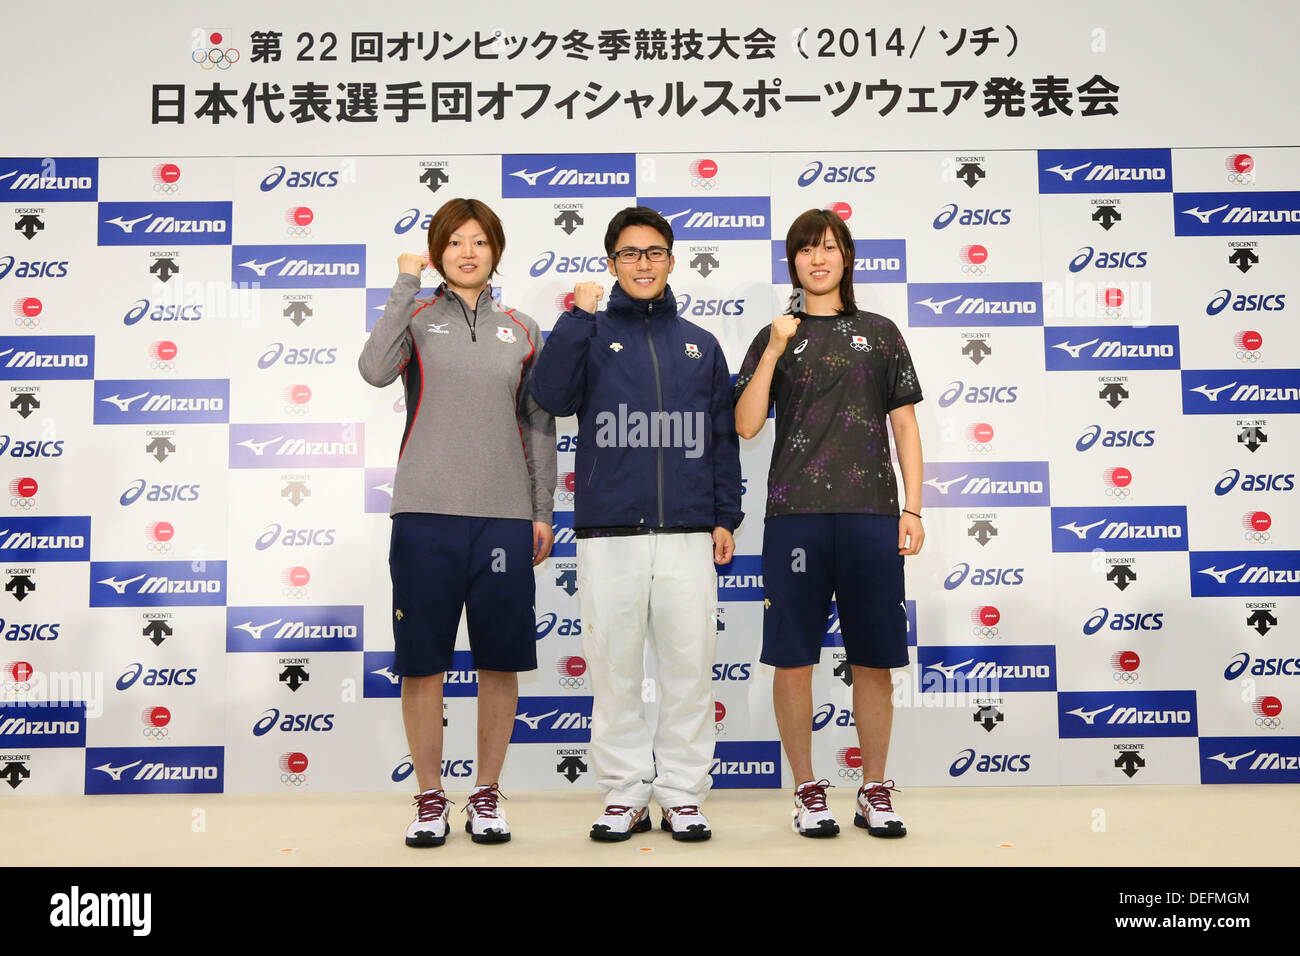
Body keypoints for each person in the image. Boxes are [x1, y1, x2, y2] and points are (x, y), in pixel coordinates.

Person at [529, 206, 742, 843]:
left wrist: (725, 515)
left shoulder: (701, 343)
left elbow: (722, 438)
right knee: (615, 671)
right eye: (629, 254)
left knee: (688, 668)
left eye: (653, 253)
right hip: (610, 532)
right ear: (611, 262)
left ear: (671, 261)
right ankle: (623, 793)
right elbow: (552, 396)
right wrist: (575, 316)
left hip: (685, 532)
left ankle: (681, 794)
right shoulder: (587, 332)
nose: (642, 264)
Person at [359, 198, 556, 847]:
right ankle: (427, 798)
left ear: (495, 250)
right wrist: (405, 281)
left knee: (499, 662)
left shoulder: (524, 328)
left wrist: (540, 511)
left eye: (479, 241)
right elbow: (373, 369)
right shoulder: (414, 316)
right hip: (424, 514)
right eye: (454, 243)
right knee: (424, 665)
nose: (467, 252)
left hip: (502, 518)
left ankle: (487, 796)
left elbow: (539, 425)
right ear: (437, 252)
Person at [734, 208, 924, 839]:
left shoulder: (881, 331)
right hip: (796, 517)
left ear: (846, 257)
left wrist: (913, 507)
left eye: (829, 247)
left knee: (874, 660)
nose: (818, 259)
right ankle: (807, 790)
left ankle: (875, 788)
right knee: (793, 660)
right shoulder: (774, 334)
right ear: (792, 262)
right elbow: (746, 424)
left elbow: (904, 427)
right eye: (806, 250)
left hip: (871, 514)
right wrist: (775, 350)